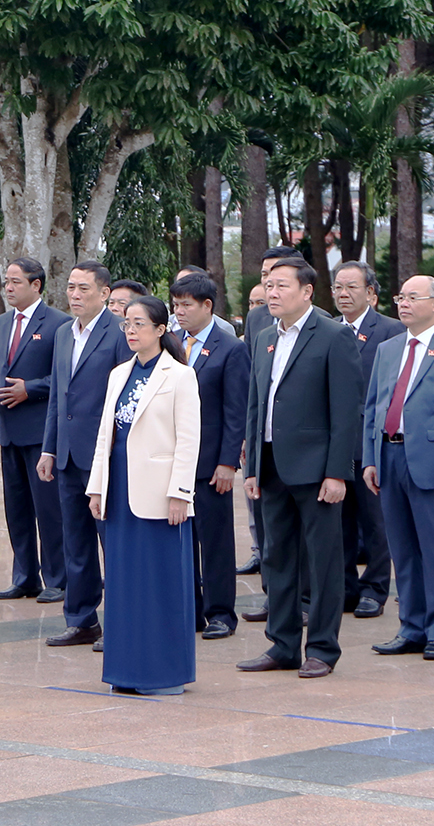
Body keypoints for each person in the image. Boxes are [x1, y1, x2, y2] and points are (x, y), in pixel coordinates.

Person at [238, 256, 363, 678]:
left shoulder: (332, 336)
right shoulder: (261, 335)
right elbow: (257, 403)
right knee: (276, 557)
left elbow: (346, 411)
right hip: (271, 464)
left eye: (281, 286)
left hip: (316, 469)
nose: (271, 293)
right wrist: (252, 465)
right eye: (268, 285)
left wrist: (337, 471)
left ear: (307, 292)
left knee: (323, 561)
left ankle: (323, 649)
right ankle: (283, 644)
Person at [87, 295, 202, 694]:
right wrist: (97, 487)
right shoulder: (118, 373)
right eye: (127, 324)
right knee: (123, 584)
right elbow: (107, 435)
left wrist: (180, 494)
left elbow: (189, 440)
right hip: (119, 490)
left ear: (160, 329)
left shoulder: (179, 375)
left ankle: (163, 673)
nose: (132, 331)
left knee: (160, 582)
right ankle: (126, 671)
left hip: (159, 492)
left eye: (139, 324)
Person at [361, 275, 434, 660]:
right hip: (390, 455)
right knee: (403, 548)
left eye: (413, 297)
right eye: (400, 296)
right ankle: (411, 625)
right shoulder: (389, 348)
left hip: (431, 462)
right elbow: (374, 407)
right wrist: (371, 458)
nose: (404, 304)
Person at [39, 261, 135, 647]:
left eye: (83, 289)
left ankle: (121, 621)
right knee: (74, 541)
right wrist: (48, 447)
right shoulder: (64, 334)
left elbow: (125, 399)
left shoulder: (119, 335)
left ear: (105, 293)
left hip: (104, 456)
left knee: (111, 542)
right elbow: (58, 398)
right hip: (66, 455)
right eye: (71, 288)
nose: (74, 295)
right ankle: (80, 619)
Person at [169, 273, 251, 640]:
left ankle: (220, 612)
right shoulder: (170, 344)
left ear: (207, 306)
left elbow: (236, 411)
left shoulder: (229, 348)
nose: (180, 312)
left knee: (215, 540)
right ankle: (190, 608)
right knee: (181, 539)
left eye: (187, 305)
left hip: (210, 460)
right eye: (176, 305)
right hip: (174, 461)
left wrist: (227, 462)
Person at [0, 257, 68, 603]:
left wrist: (29, 389)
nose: (8, 288)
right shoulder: (0, 325)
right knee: (16, 509)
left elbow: (64, 378)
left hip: (40, 431)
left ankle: (57, 577)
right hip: (8, 431)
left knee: (48, 510)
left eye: (16, 282)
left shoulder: (59, 325)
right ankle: (24, 576)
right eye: (6, 281)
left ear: (36, 285)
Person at [331, 259, 405, 618]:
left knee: (375, 520)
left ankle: (375, 587)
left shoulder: (390, 331)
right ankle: (344, 586)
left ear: (371, 294)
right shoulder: (328, 330)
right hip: (334, 441)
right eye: (338, 288)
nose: (343, 294)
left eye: (352, 288)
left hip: (372, 438)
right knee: (338, 519)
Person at [237, 244, 304, 579]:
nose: (270, 287)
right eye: (265, 278)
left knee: (304, 536)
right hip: (264, 446)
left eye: (278, 279)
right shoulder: (258, 319)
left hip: (304, 451)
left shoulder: (323, 328)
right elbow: (253, 384)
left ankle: (306, 601)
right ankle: (273, 594)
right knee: (269, 529)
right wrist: (248, 435)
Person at [169, 266, 236, 336]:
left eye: (186, 305)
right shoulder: (165, 324)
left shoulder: (224, 329)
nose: (179, 311)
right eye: (176, 305)